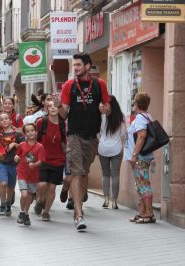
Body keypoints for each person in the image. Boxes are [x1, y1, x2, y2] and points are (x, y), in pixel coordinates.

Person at [59, 53, 110, 232]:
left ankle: (70, 193)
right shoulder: (69, 85)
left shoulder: (99, 84)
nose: (76, 68)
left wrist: (105, 109)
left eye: (78, 65)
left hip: (92, 136)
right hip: (74, 135)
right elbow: (64, 113)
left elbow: (108, 107)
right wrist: (58, 106)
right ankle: (79, 214)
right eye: (74, 66)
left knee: (84, 172)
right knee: (77, 172)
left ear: (88, 66)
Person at [124, 92, 156, 224]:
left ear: (136, 104)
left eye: (134, 102)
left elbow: (141, 136)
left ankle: (149, 213)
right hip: (143, 156)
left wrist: (134, 155)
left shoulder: (140, 118)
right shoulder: (147, 116)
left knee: (143, 185)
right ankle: (142, 212)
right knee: (140, 185)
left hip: (140, 157)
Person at [35, 102, 66, 221]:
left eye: (55, 106)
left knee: (52, 188)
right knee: (42, 184)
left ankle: (46, 212)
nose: (52, 108)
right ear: (46, 109)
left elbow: (64, 142)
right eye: (50, 106)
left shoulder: (63, 124)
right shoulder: (41, 122)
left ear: (59, 109)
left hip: (58, 160)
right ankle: (40, 200)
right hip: (42, 158)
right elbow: (33, 138)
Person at [14, 123, 45, 226]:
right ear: (25, 134)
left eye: (32, 130)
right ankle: (22, 212)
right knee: (24, 194)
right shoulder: (22, 145)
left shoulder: (40, 146)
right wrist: (16, 158)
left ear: (36, 132)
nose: (30, 132)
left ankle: (26, 213)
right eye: (28, 131)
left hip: (33, 175)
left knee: (30, 197)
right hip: (22, 172)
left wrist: (34, 164)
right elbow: (17, 155)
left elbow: (41, 161)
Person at [98, 96, 126, 209]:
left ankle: (105, 200)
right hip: (116, 148)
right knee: (115, 175)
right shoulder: (121, 117)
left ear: (111, 105)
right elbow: (123, 134)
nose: (103, 106)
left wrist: (102, 141)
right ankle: (114, 202)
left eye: (105, 104)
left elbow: (98, 133)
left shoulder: (101, 116)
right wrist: (119, 143)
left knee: (105, 174)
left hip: (103, 148)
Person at [0, 113, 25, 216]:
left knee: (11, 186)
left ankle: (8, 203)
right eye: (1, 119)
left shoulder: (18, 134)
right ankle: (2, 204)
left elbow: (24, 147)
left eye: (6, 118)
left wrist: (15, 144)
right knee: (3, 183)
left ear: (10, 120)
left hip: (14, 164)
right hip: (2, 163)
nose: (4, 121)